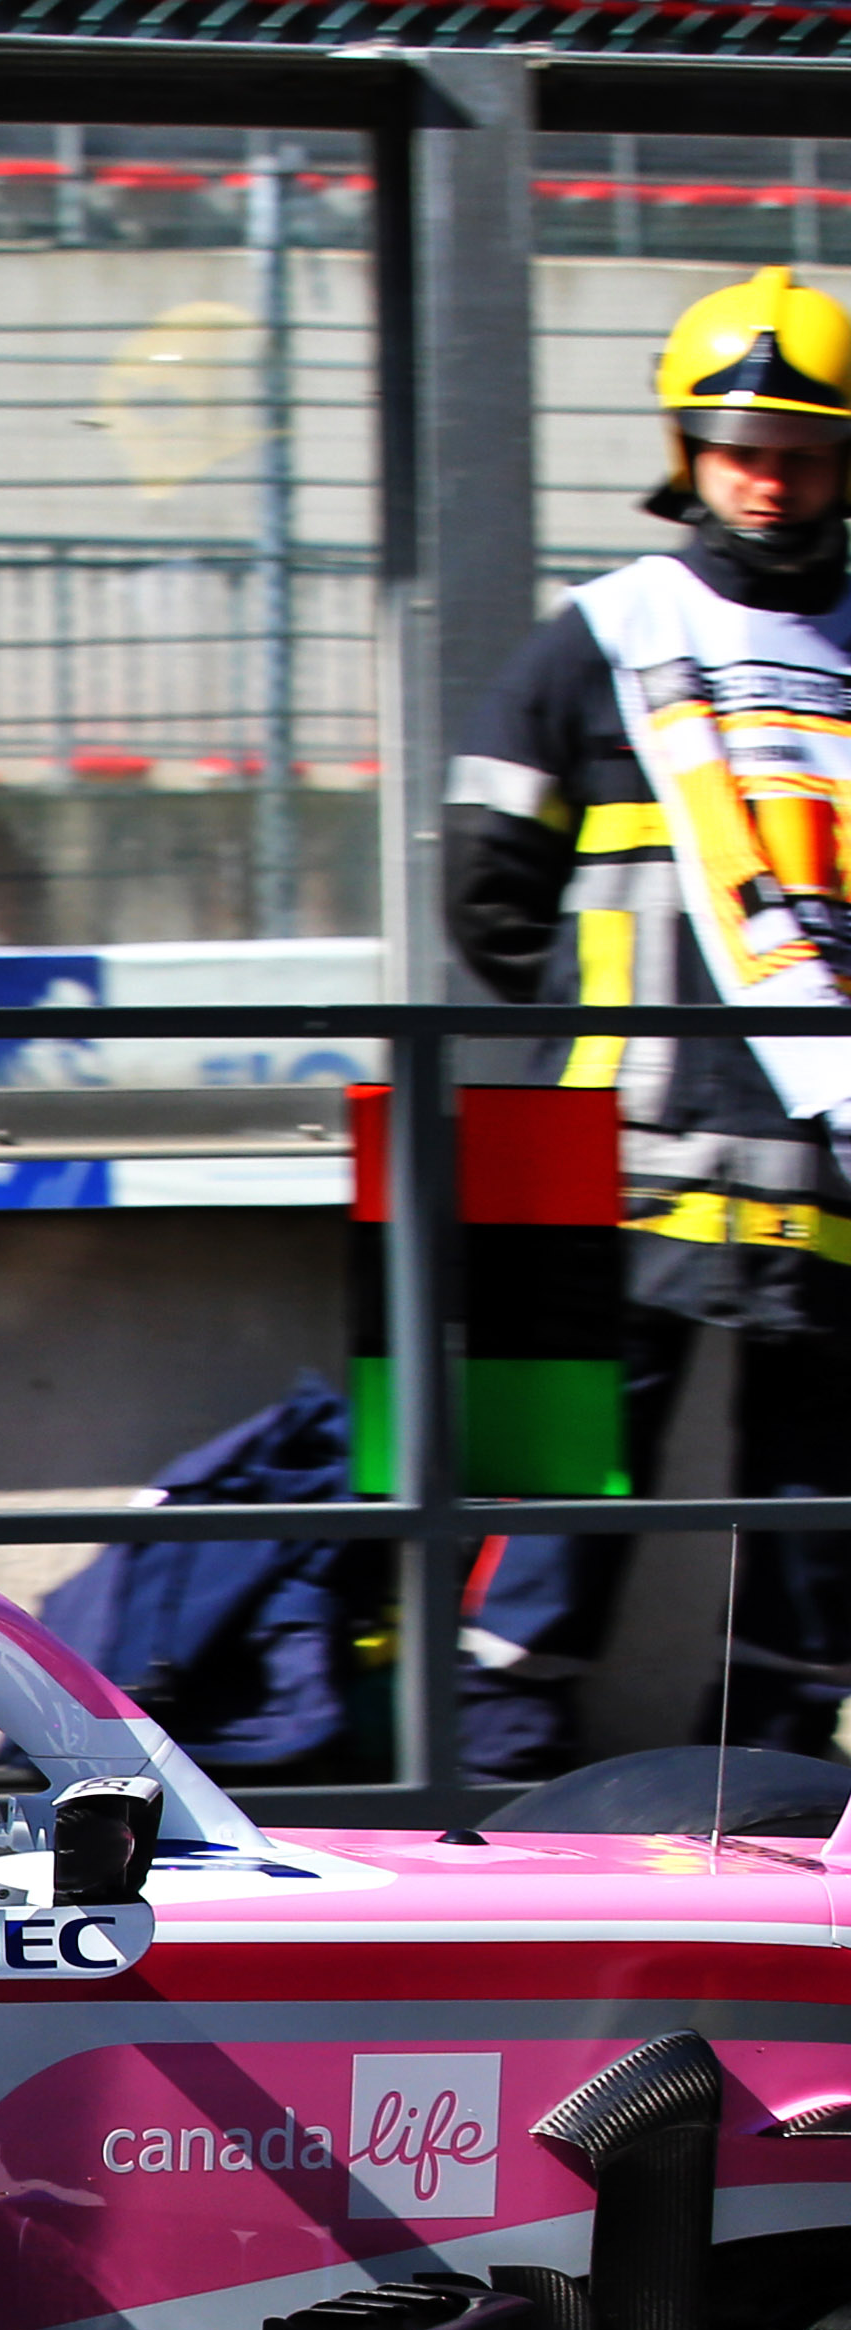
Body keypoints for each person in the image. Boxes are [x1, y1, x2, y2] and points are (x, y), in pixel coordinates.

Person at [454, 267, 851, 1769]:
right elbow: (487, 889)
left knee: (813, 1503)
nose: (770, 477)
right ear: (688, 454)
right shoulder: (597, 639)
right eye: (743, 445)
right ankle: (494, 1778)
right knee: (553, 1489)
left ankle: (780, 1778)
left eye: (804, 450)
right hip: (590, 1143)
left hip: (817, 1156)